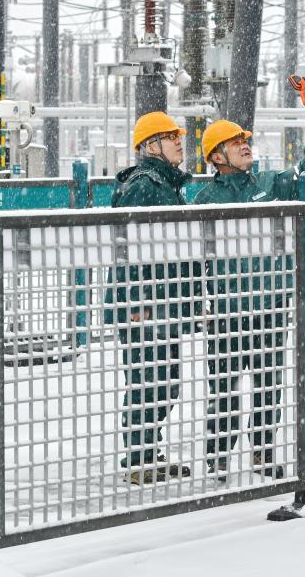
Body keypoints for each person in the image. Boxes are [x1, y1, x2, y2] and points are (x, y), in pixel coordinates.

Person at [192, 115, 305, 481]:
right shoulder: (205, 199)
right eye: (234, 142)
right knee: (224, 389)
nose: (244, 145)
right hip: (227, 314)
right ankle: (218, 456)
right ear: (216, 157)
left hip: (270, 309)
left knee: (268, 387)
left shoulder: (270, 184)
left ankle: (263, 453)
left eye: (245, 139)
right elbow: (192, 258)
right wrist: (198, 302)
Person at [106, 112, 197, 484]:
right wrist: (138, 300)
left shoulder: (166, 184)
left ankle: (147, 453)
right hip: (145, 306)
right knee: (149, 381)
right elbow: (130, 249)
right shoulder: (144, 185)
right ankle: (139, 459)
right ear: (150, 145)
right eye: (170, 136)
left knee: (165, 381)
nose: (179, 141)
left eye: (178, 136)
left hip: (164, 303)